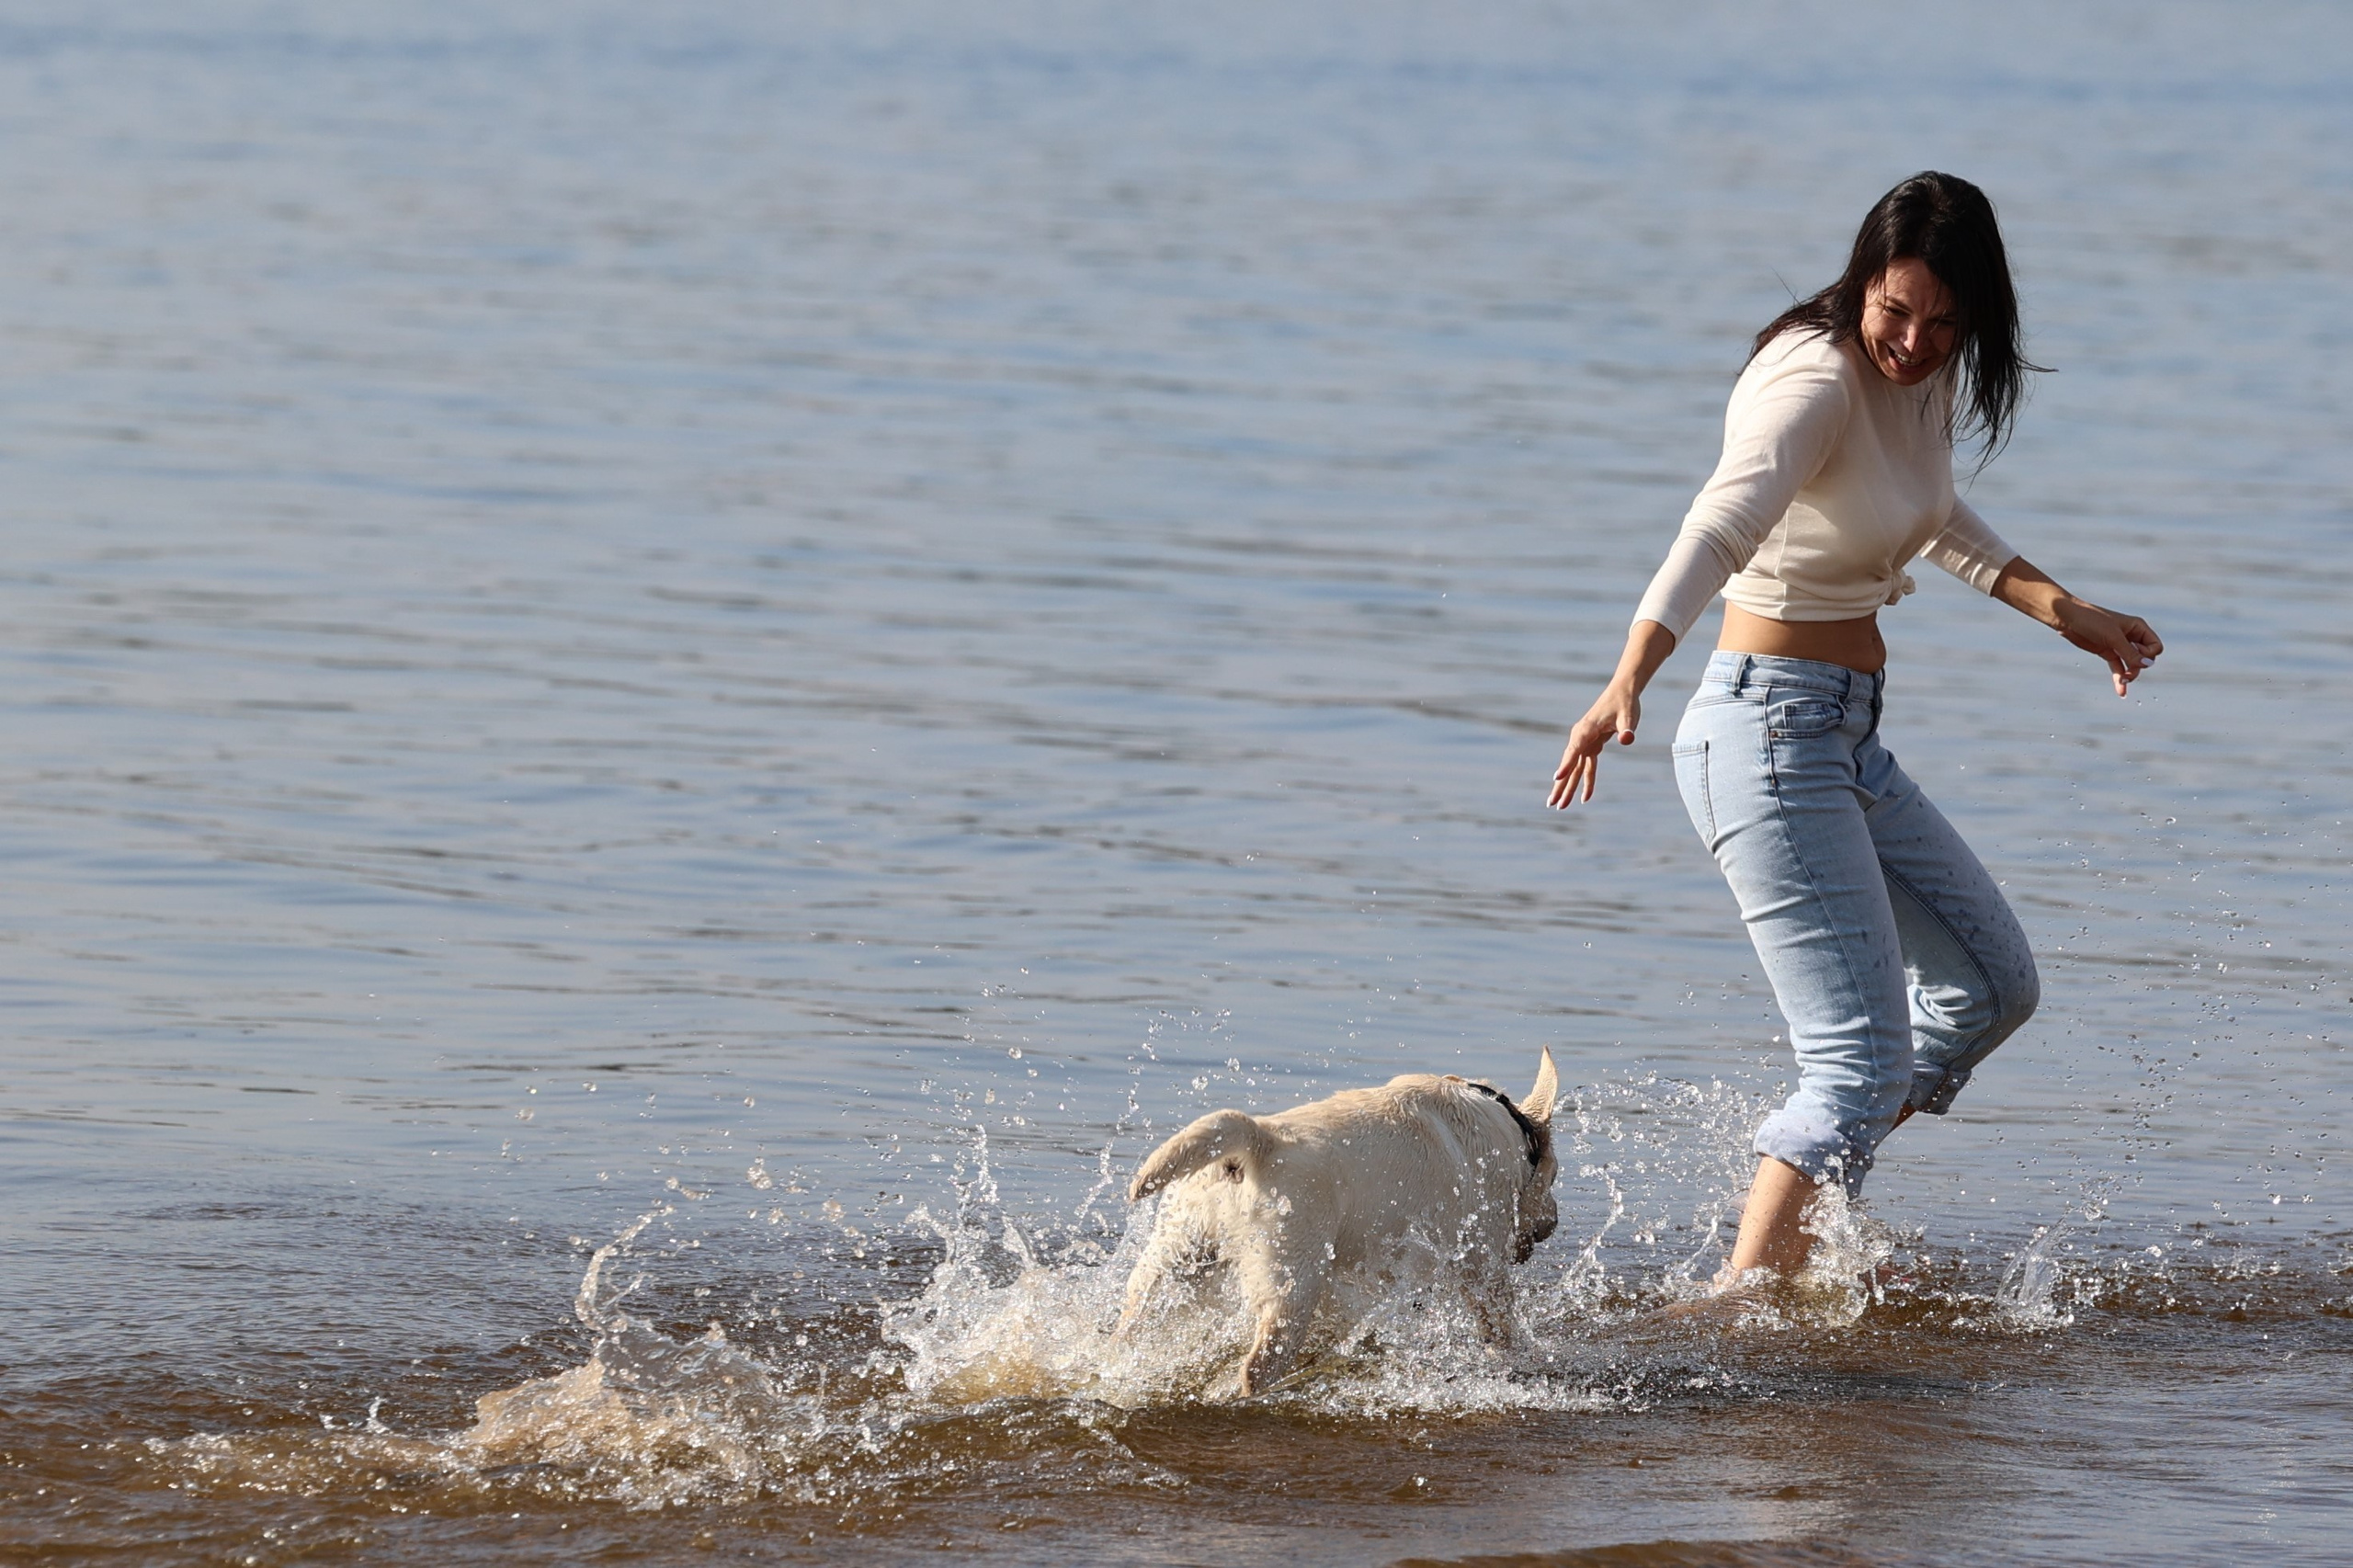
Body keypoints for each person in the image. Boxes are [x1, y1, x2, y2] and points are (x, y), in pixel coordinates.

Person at [1549, 172, 2162, 1290]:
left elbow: (1929, 517)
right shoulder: (1813, 377)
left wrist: (2068, 614)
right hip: (1764, 735)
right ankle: (1747, 1302)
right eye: (1895, 311)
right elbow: (1718, 522)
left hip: (1840, 737)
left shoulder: (1918, 385)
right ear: (1860, 283)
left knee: (1990, 984)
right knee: (1858, 1058)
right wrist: (1627, 673)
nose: (1913, 342)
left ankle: (1809, 1203)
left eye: (1941, 322)